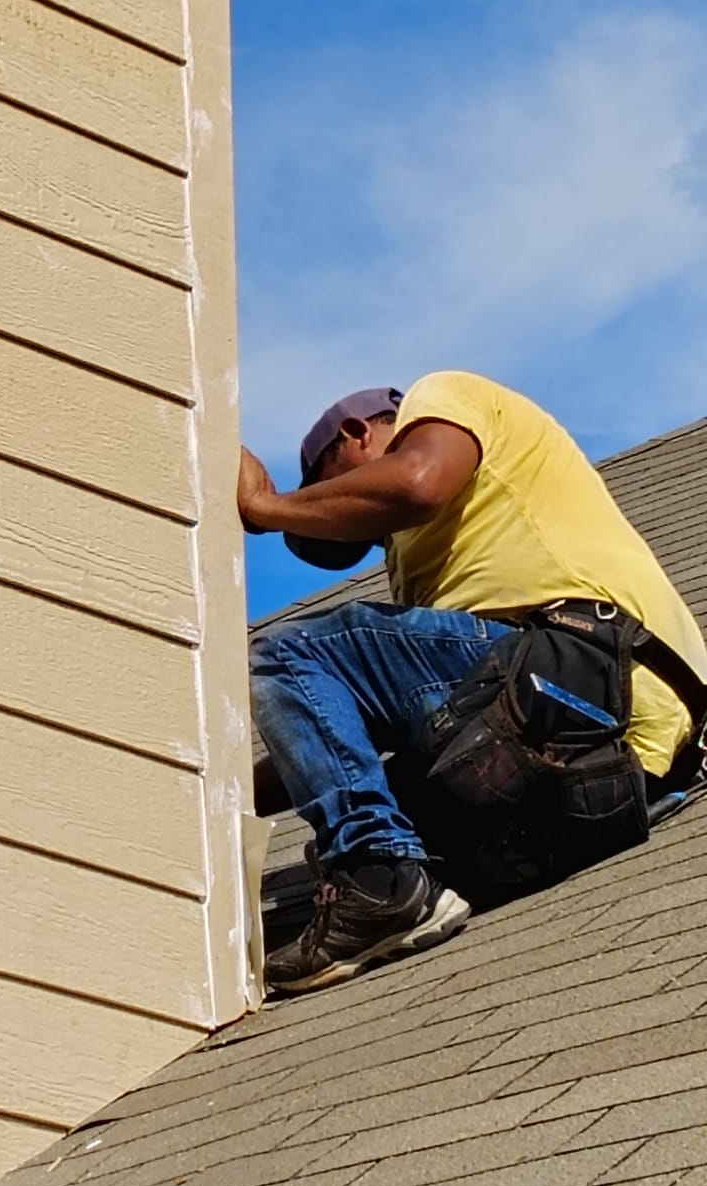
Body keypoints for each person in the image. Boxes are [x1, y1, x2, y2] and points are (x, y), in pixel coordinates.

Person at [238, 372, 707, 995]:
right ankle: (386, 876)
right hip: (617, 756)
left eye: (335, 486)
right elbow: (326, 732)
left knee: (286, 650)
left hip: (589, 666)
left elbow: (415, 483)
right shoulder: (425, 572)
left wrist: (263, 509)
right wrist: (220, 792)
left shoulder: (446, 398)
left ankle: (380, 881)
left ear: (357, 434)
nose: (353, 516)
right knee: (353, 795)